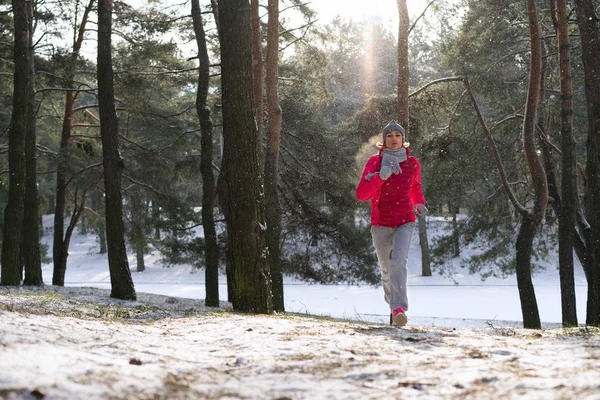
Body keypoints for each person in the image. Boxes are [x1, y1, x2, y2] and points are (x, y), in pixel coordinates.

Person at [356, 120, 427, 327]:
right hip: (381, 223)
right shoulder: (374, 163)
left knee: (398, 261)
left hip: (405, 220)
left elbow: (415, 186)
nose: (394, 138)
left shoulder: (412, 162)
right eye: (390, 135)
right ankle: (393, 307)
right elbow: (362, 194)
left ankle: (398, 309)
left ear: (403, 140)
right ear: (384, 140)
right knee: (386, 268)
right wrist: (379, 177)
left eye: (398, 135)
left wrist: (419, 203)